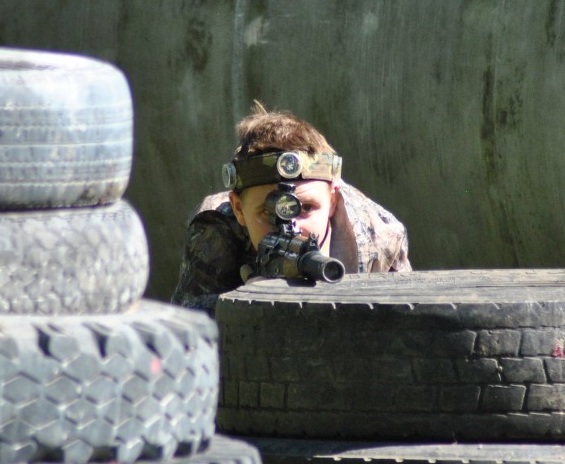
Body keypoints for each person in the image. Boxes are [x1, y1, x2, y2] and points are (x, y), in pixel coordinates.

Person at [170, 102, 410, 314]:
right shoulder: (218, 227)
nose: (291, 226)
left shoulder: (381, 234)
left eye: (306, 207)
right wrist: (241, 304)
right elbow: (187, 332)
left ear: (333, 201)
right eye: (267, 212)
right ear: (239, 209)